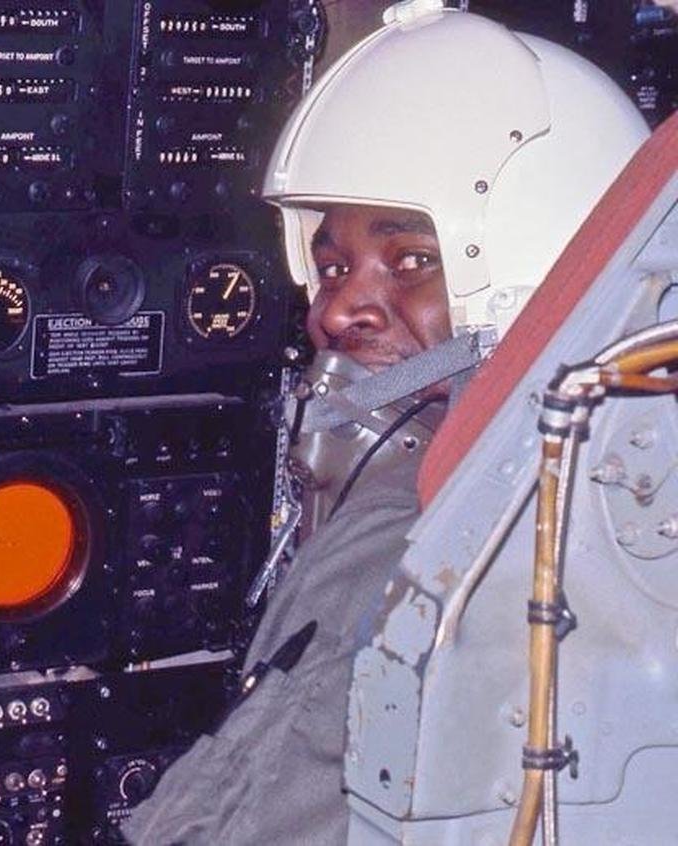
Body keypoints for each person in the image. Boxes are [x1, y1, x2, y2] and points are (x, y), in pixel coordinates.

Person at [121, 2, 648, 843]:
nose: (337, 313)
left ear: (538, 270)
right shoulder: (624, 494)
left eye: (412, 262)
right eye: (331, 267)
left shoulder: (406, 541)